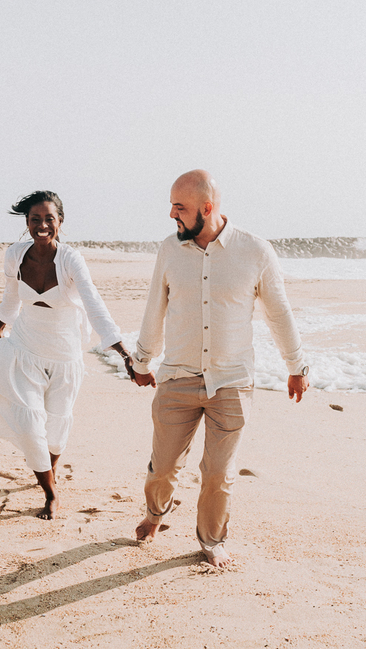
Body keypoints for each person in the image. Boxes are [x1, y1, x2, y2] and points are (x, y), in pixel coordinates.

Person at [131, 170, 310, 567]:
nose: (172, 215)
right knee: (162, 469)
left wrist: (296, 365)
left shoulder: (255, 251)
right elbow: (154, 308)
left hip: (231, 382)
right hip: (177, 375)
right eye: (172, 206)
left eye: (180, 208)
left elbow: (278, 313)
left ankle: (211, 540)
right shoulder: (169, 250)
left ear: (207, 209)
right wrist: (142, 361)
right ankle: (156, 514)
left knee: (218, 474)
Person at [0, 191, 134, 519]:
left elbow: (93, 303)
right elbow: (11, 297)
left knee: (56, 429)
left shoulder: (71, 259)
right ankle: (50, 492)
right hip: (25, 350)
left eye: (49, 219)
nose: (42, 225)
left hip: (65, 355)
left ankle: (50, 471)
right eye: (35, 220)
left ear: (60, 222)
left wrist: (121, 349)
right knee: (31, 425)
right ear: (26, 223)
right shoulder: (15, 255)